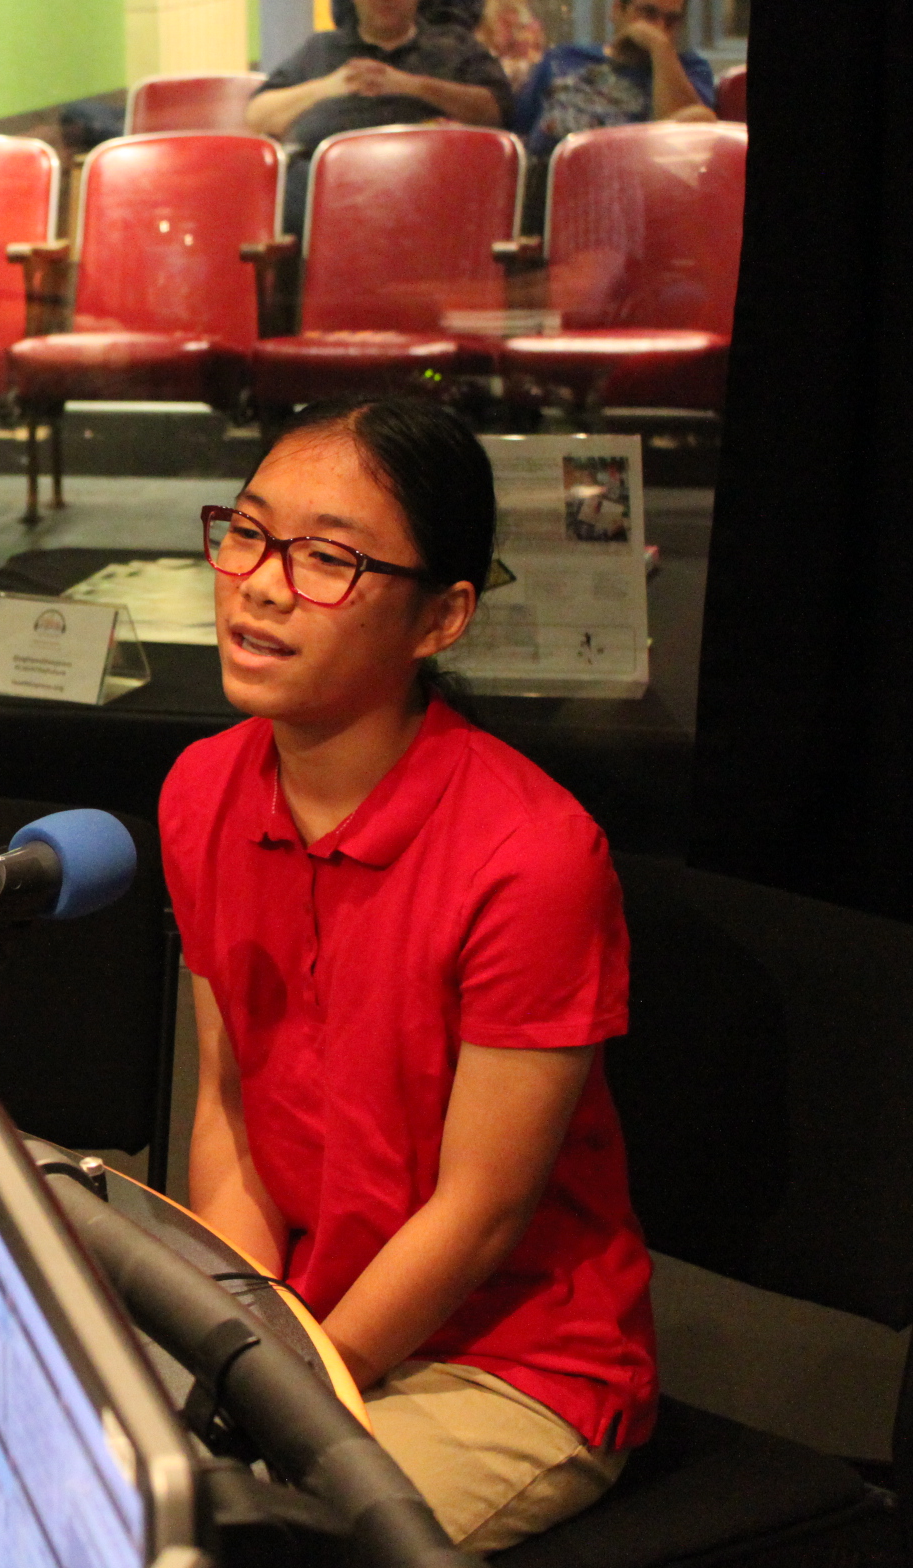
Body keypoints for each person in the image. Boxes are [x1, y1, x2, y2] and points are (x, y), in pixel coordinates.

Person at [161, 396, 655, 1552]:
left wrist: (284, 1395)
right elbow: (230, 1115)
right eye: (247, 531)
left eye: (327, 558)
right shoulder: (200, 789)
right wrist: (231, 1357)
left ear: (441, 617)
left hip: (508, 1363)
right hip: (300, 1327)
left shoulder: (532, 856)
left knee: (226, 1546)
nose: (263, 584)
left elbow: (477, 1217)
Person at [249, 0, 514, 230]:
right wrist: (330, 86)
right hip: (325, 194)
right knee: (282, 182)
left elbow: (496, 111)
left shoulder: (454, 45)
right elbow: (257, 116)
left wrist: (411, 85)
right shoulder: (320, 49)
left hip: (431, 189)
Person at [514, 0, 717, 159]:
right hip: (546, 177)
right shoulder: (563, 57)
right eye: (648, 14)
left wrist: (660, 48)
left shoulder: (690, 69)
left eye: (671, 21)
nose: (659, 28)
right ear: (617, 10)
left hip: (629, 184)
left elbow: (689, 139)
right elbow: (518, 128)